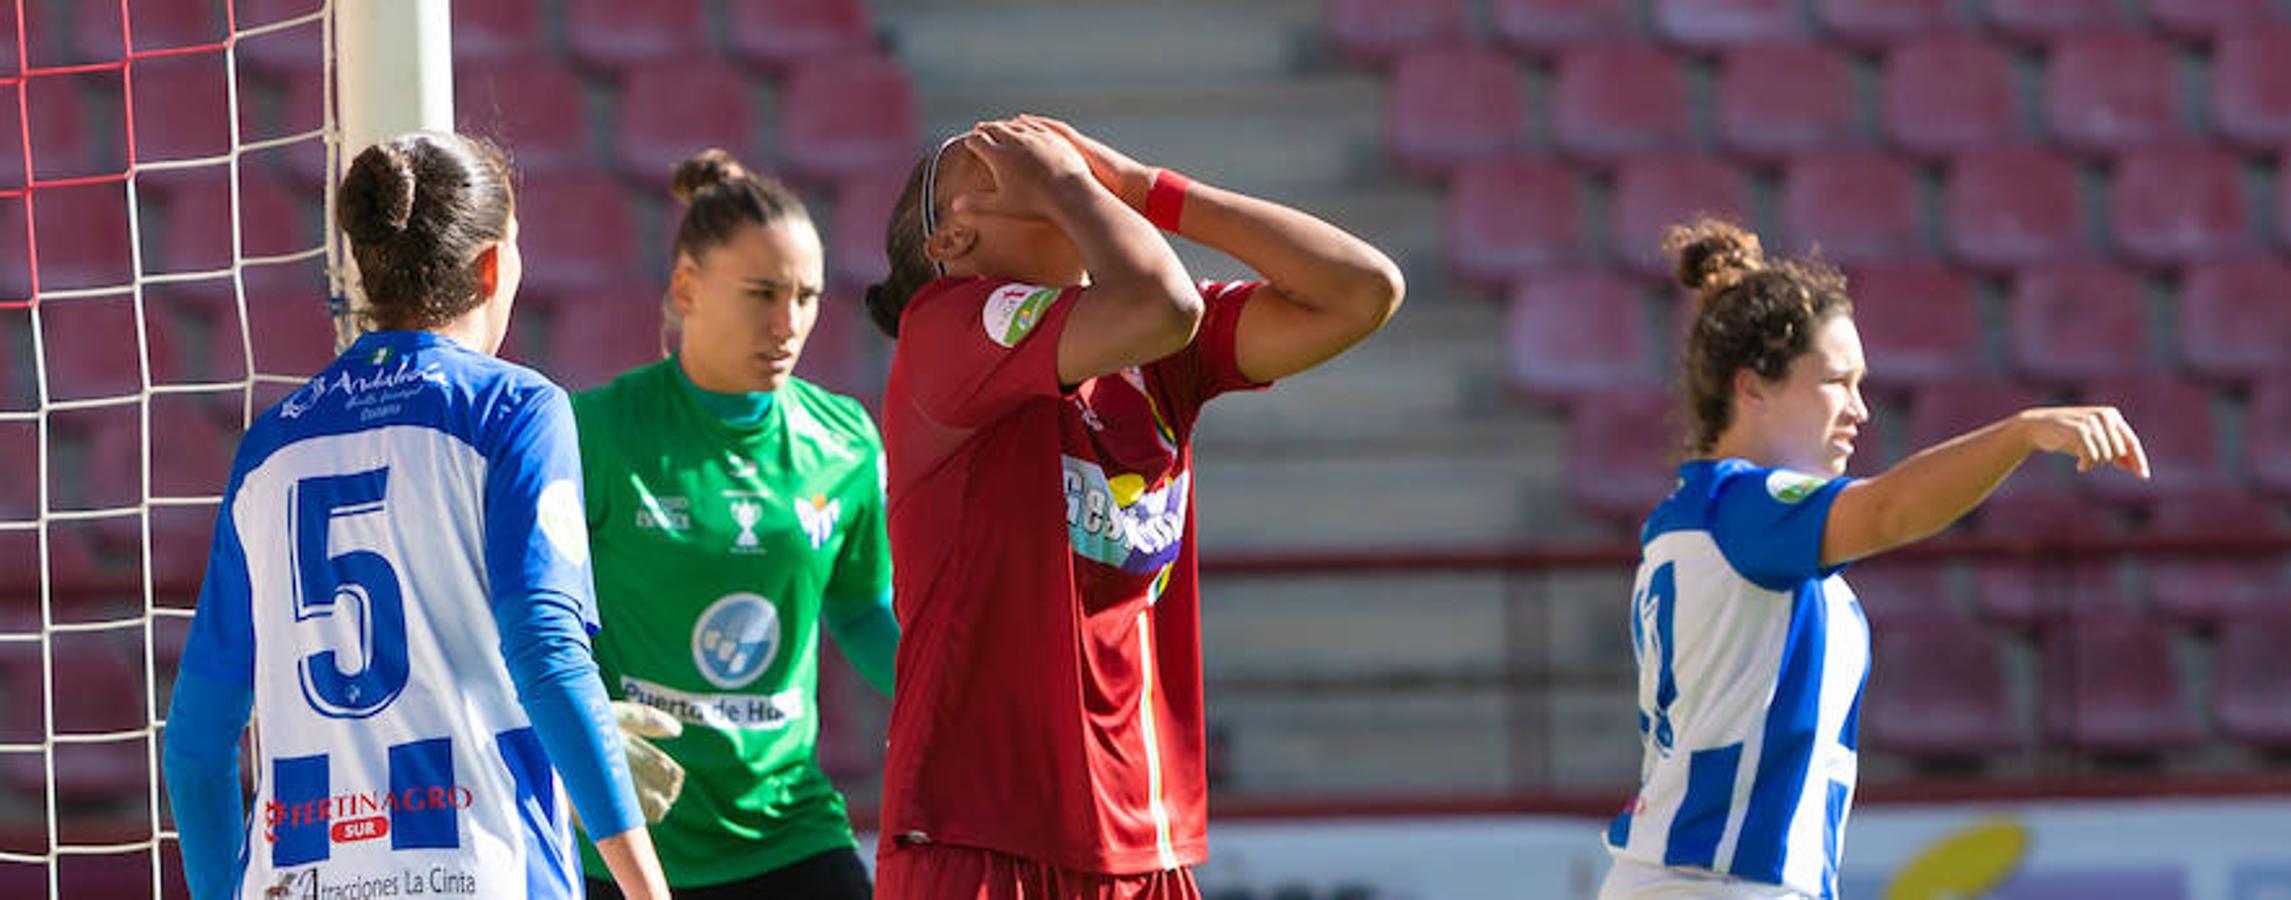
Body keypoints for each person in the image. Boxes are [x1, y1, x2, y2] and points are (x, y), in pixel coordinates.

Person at [861, 115, 1404, 897]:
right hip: (979, 833)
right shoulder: (945, 327)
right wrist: (1069, 186)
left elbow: (1361, 292)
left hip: (1142, 839)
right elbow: (1162, 305)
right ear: (948, 241)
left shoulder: (1151, 363)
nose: (1035, 152)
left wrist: (1152, 191)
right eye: (991, 160)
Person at [160, 131, 669, 900]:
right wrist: (647, 888)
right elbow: (546, 655)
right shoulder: (516, 411)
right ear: (494, 264)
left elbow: (197, 748)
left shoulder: (268, 449)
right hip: (476, 868)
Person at [1600, 218, 2150, 899]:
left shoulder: (1707, 516)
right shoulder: (1742, 508)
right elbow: (1891, 510)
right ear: (1752, 388)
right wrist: (2022, 432)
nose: (1860, 409)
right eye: (1837, 382)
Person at [568, 148, 895, 899]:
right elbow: (520, 618)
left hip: (790, 827)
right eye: (762, 293)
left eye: (807, 296)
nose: (788, 323)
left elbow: (859, 608)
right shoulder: (597, 431)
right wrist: (582, 727)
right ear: (686, 288)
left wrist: (955, 700)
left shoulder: (844, 440)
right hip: (627, 839)